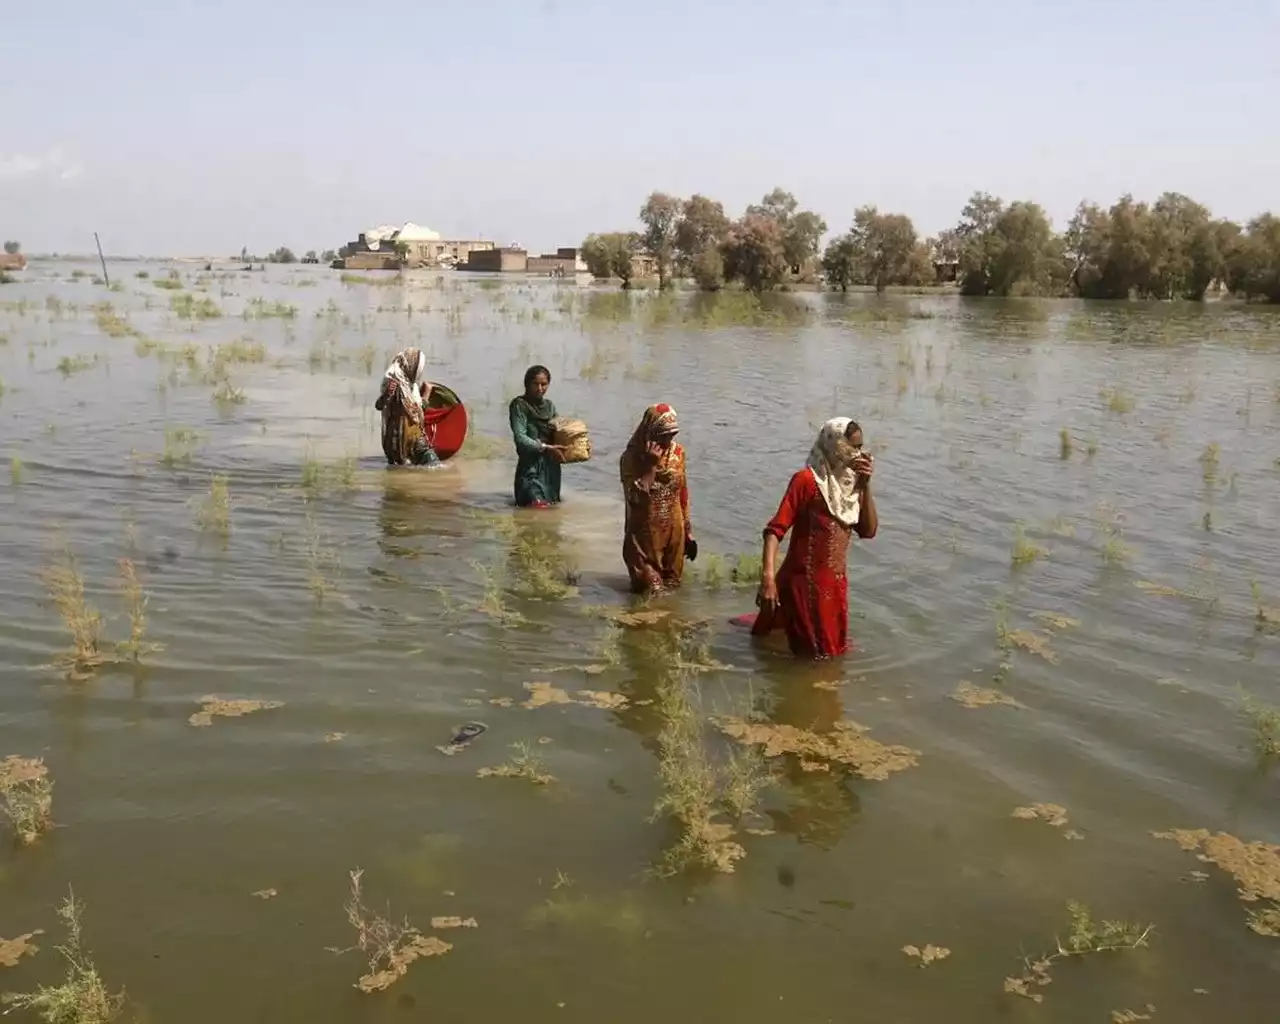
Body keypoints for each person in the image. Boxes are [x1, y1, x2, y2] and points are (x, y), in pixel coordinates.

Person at [750, 418, 877, 659]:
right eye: (853, 447)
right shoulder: (806, 481)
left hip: (835, 588)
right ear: (835, 446)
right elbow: (774, 531)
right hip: (804, 587)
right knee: (816, 663)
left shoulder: (851, 487)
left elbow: (868, 531)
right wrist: (768, 578)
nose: (859, 454)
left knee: (830, 656)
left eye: (861, 447)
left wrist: (866, 487)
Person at [619, 403, 695, 594]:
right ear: (649, 432)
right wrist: (651, 467)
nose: (667, 440)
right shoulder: (631, 458)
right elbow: (634, 497)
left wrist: (687, 531)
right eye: (662, 435)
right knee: (651, 593)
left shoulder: (678, 453)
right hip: (643, 540)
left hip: (673, 535)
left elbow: (682, 492)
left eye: (671, 435)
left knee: (672, 592)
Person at [509, 365, 565, 508]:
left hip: (551, 470)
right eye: (535, 384)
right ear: (527, 384)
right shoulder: (519, 405)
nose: (540, 389)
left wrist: (576, 442)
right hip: (530, 468)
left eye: (544, 384)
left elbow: (560, 432)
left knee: (551, 510)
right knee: (536, 508)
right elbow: (520, 438)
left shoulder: (550, 406)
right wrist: (545, 447)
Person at [375, 347, 440, 467]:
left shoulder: (409, 385)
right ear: (412, 366)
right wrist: (387, 395)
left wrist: (425, 394)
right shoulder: (395, 383)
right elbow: (379, 405)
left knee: (400, 472)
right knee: (435, 466)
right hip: (410, 438)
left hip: (395, 442)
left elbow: (415, 409)